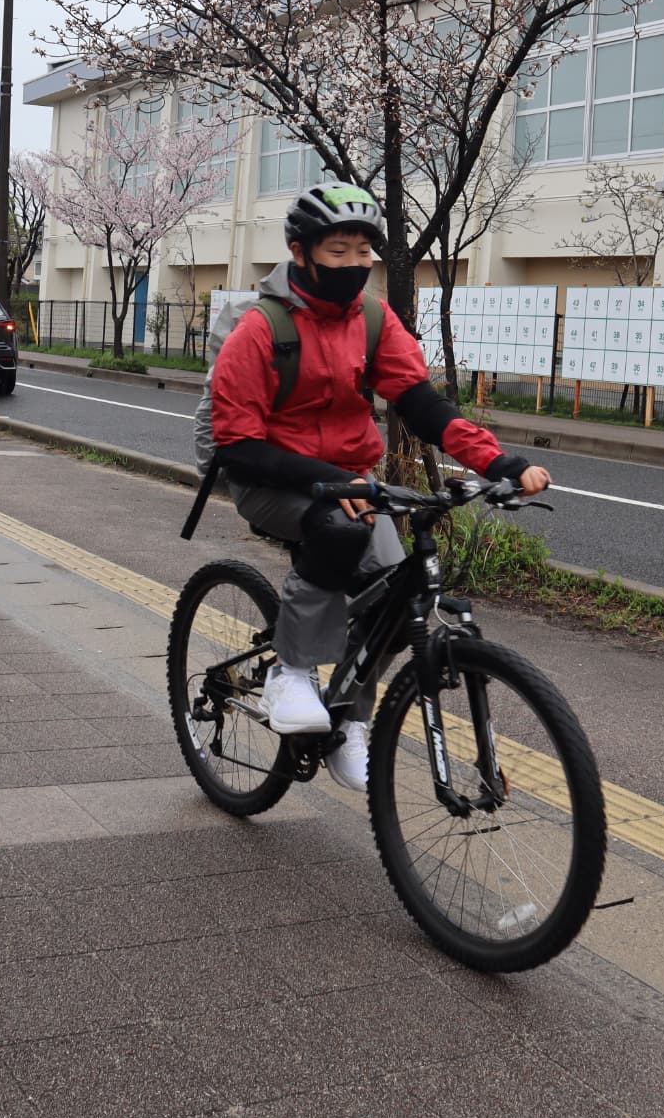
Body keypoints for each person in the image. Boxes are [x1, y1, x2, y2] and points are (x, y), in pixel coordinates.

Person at [203, 183, 550, 792]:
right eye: (341, 251)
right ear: (301, 253)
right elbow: (239, 444)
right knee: (337, 530)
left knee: (397, 600)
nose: (358, 265)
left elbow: (418, 401)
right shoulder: (261, 329)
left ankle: (349, 724)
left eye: (366, 253)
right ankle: (292, 669)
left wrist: (495, 459)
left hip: (351, 480)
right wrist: (329, 482)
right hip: (268, 475)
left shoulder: (371, 317)